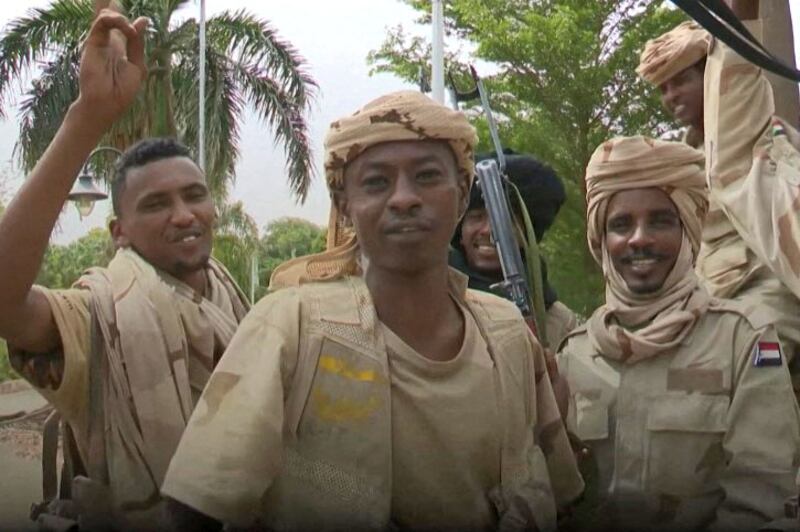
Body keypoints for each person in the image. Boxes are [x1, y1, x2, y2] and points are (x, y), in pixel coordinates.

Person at [162, 90, 584, 531]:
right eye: (377, 182)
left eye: (425, 177)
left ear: (461, 197)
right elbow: (196, 507)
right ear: (345, 207)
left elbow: (558, 494)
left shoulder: (508, 334)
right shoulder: (290, 324)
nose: (403, 198)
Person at [0, 6, 249, 529]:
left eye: (194, 196)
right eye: (156, 205)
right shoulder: (100, 317)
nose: (183, 214)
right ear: (119, 231)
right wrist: (89, 116)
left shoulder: (247, 313)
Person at [556, 135, 800, 531]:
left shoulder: (745, 341)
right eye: (621, 224)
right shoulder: (572, 354)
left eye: (660, 220)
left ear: (688, 230)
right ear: (602, 240)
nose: (639, 238)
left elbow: (761, 499)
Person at [637, 4, 800, 385]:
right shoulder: (677, 161)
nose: (670, 96)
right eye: (662, 88)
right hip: (705, 300)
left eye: (680, 81)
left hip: (764, 296)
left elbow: (737, 34)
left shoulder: (751, 133)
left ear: (711, 75)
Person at [449, 151, 578, 349]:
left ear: (527, 233)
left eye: (506, 219)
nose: (489, 231)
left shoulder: (560, 322)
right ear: (460, 231)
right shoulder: (436, 307)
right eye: (476, 217)